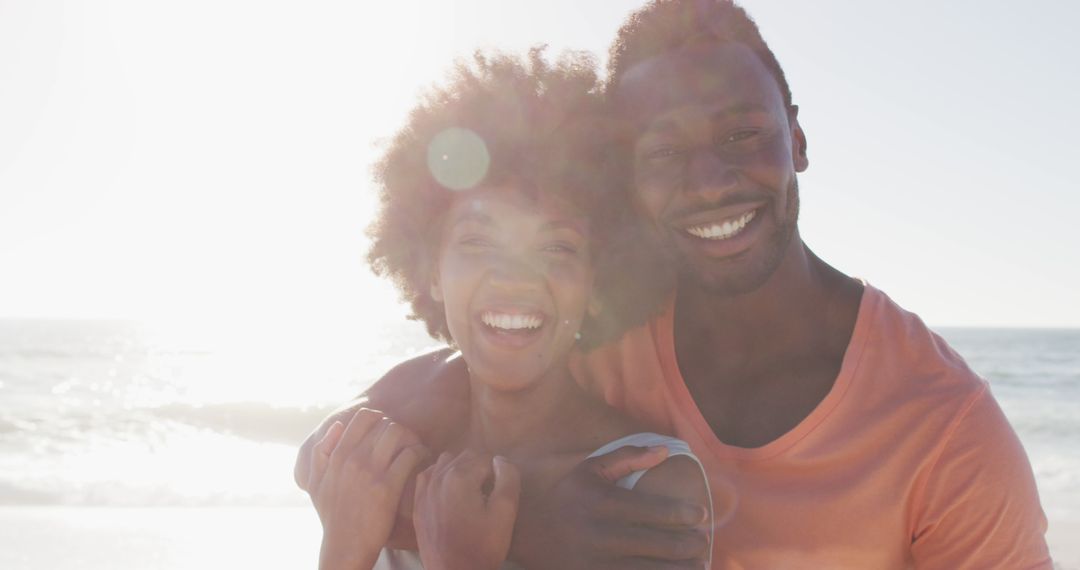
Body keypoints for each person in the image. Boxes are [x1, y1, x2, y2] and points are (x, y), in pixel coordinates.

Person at [298, 1, 1053, 568]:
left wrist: (520, 531)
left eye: (742, 134)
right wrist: (519, 520)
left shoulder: (946, 431)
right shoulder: (594, 331)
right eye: (663, 152)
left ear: (797, 136)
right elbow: (336, 460)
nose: (711, 182)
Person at [305, 49, 713, 570]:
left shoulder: (646, 484)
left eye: (556, 247)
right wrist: (343, 548)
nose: (515, 278)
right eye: (478, 242)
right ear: (432, 269)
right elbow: (312, 457)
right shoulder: (395, 452)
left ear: (597, 282)